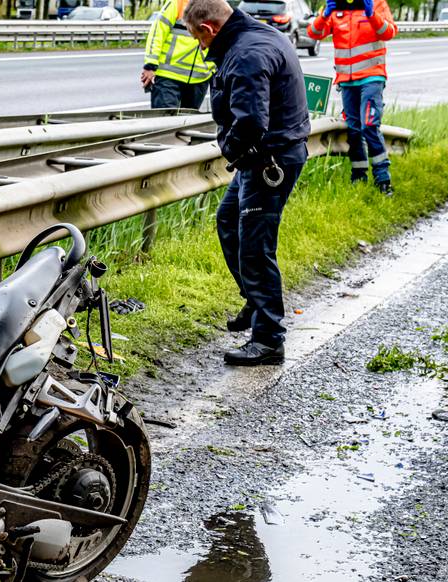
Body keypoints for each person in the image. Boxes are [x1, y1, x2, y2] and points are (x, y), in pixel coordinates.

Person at [183, 0, 311, 366]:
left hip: (269, 161)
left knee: (256, 248)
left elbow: (251, 122)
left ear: (208, 29)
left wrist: (230, 151)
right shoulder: (256, 34)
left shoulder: (245, 55)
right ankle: (257, 303)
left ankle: (269, 339)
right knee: (229, 223)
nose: (200, 47)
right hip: (265, 156)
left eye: (198, 38)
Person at [308, 0, 398, 195]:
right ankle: (359, 175)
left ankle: (383, 179)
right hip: (347, 81)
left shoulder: (376, 3)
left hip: (372, 77)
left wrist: (371, 13)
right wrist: (325, 14)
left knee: (369, 125)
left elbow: (389, 32)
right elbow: (313, 34)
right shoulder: (335, 6)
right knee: (354, 130)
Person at [141, 0, 215, 109]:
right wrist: (150, 65)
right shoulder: (178, 3)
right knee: (166, 121)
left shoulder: (216, 6)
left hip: (199, 78)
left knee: (188, 123)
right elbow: (157, 32)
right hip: (168, 76)